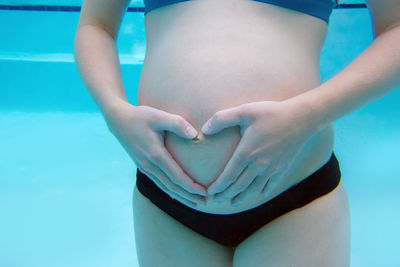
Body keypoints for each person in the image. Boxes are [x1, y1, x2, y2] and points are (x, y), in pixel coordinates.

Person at [73, 0, 400, 266]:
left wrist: (307, 115)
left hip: (294, 198)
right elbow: (95, 26)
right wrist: (114, 112)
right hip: (166, 199)